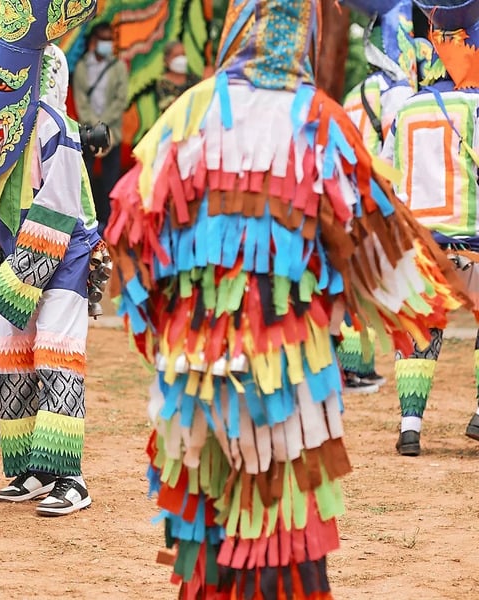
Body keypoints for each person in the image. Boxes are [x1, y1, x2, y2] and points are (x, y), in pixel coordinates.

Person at [105, 0, 469, 595]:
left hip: (192, 370)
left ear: (234, 31)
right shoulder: (321, 121)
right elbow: (371, 241)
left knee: (208, 530)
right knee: (281, 528)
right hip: (286, 370)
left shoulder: (184, 116)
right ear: (304, 35)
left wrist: (159, 328)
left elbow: (132, 229)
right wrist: (420, 299)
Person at [0, 0, 99, 516]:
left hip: (63, 259)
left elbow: (58, 209)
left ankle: (70, 476)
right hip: (19, 260)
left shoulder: (58, 129)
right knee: (13, 355)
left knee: (56, 353)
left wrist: (11, 283)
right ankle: (32, 468)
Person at [381, 0, 479, 456]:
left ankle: (410, 427)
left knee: (418, 330)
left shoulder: (406, 111)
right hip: (473, 249)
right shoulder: (475, 105)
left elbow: (385, 175)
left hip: (422, 249)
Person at [337, 1, 422, 394]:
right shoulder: (398, 91)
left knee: (352, 280)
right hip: (374, 193)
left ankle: (354, 366)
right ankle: (355, 367)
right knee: (368, 282)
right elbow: (398, 143)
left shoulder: (356, 92)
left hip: (345, 192)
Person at [72, 21, 129, 237]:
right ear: (94, 42)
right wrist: (94, 125)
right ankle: (86, 224)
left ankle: (110, 225)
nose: (108, 44)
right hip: (88, 133)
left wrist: (103, 124)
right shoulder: (81, 68)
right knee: (83, 180)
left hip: (112, 134)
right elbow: (80, 100)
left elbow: (120, 99)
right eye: (104, 40)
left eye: (110, 40)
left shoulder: (118, 67)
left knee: (110, 183)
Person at [155, 41, 200, 112]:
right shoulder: (162, 83)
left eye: (183, 54)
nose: (181, 59)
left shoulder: (193, 78)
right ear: (166, 59)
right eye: (176, 55)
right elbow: (168, 107)